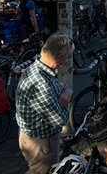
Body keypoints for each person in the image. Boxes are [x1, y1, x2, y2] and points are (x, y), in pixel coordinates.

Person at [15, 34, 74, 174]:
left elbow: (56, 86)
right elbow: (60, 120)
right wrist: (67, 96)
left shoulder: (38, 67)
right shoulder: (40, 83)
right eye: (67, 57)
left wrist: (64, 90)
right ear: (59, 56)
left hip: (33, 136)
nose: (66, 61)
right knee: (41, 170)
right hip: (41, 143)